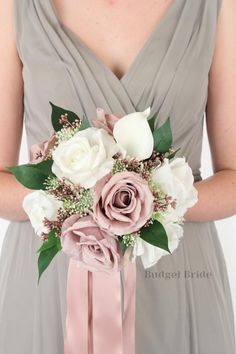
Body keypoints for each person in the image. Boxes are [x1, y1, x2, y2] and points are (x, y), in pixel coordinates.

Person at [0, 0, 235, 353]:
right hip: (50, 286)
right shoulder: (14, 7)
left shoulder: (217, 7)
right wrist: (79, 199)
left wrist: (146, 200)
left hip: (177, 276)